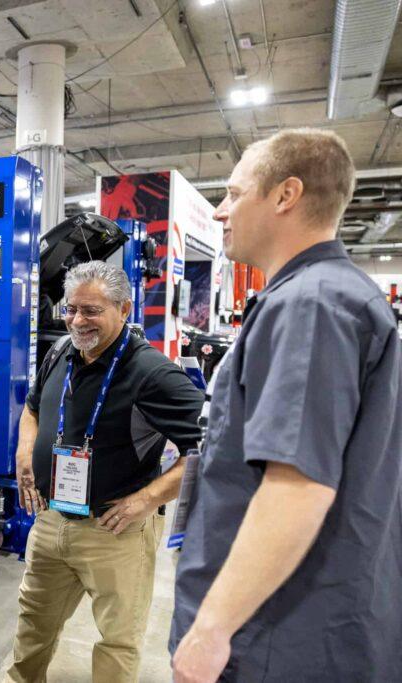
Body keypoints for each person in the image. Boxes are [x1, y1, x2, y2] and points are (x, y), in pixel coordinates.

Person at [170, 129, 402, 682]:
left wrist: (210, 632)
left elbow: (297, 488)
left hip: (278, 640)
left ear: (285, 195)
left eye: (233, 193)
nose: (221, 211)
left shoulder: (310, 304)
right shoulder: (333, 297)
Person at [7, 261, 204, 683]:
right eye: (71, 309)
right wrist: (25, 451)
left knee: (117, 642)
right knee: (33, 625)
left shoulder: (153, 374)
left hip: (114, 531)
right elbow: (33, 409)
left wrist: (146, 500)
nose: (78, 320)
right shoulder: (60, 352)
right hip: (51, 519)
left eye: (91, 310)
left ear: (124, 309)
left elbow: (209, 449)